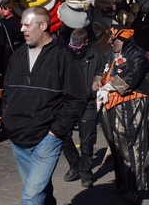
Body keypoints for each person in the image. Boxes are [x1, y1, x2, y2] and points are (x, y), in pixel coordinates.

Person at [1, 6, 87, 205]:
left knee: (31, 196)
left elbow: (77, 99)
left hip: (46, 139)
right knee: (41, 192)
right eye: (21, 24)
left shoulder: (63, 55)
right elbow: (7, 91)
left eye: (27, 25)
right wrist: (7, 116)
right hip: (18, 138)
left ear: (43, 25)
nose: (22, 29)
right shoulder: (18, 55)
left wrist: (56, 132)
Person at [97, 25, 149, 203]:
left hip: (132, 105)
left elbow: (131, 77)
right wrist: (100, 83)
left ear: (122, 39)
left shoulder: (137, 54)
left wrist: (108, 87)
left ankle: (133, 189)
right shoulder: (114, 55)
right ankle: (123, 184)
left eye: (114, 39)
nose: (111, 43)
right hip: (113, 105)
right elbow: (107, 74)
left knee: (131, 146)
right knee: (117, 147)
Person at [62, 28, 107, 188]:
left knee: (87, 140)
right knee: (63, 136)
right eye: (72, 47)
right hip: (68, 102)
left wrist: (98, 78)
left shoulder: (97, 56)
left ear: (86, 43)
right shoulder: (67, 53)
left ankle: (86, 172)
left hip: (88, 102)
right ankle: (75, 165)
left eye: (78, 48)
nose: (75, 51)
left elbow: (103, 71)